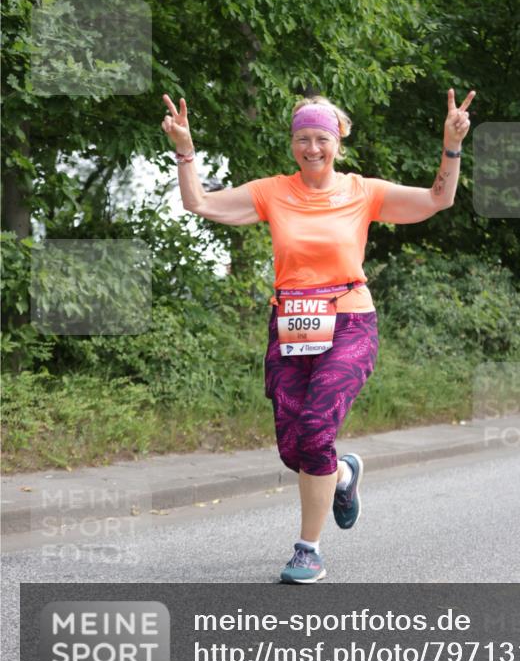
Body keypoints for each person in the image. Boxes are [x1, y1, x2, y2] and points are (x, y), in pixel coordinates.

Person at [161, 88, 475, 583]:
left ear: (337, 143)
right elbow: (197, 202)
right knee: (295, 449)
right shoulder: (271, 192)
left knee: (315, 430)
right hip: (289, 327)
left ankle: (308, 549)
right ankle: (344, 474)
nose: (312, 148)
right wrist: (185, 150)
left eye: (321, 139)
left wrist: (451, 145)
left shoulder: (362, 192)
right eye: (303, 139)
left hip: (350, 322)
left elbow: (439, 198)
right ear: (293, 144)